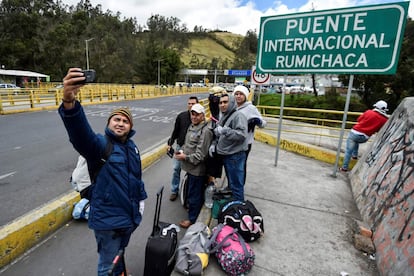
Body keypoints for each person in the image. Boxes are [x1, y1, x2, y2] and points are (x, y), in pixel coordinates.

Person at [58, 68, 147, 276]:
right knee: (107, 266)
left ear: (130, 127)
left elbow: (136, 179)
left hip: (129, 218)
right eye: (116, 119)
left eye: (125, 121)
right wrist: (69, 103)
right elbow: (80, 134)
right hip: (108, 222)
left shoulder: (132, 147)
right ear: (109, 123)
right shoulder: (99, 145)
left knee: (120, 254)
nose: (121, 123)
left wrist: (140, 204)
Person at [174, 103, 213, 228]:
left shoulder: (205, 131)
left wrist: (184, 157)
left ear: (203, 116)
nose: (194, 117)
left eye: (197, 114)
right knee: (191, 192)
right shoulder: (192, 126)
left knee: (194, 195)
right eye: (192, 114)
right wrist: (181, 151)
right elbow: (188, 145)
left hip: (197, 170)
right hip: (190, 168)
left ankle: (192, 220)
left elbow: (200, 155)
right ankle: (193, 213)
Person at [209, 94, 248, 201]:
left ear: (231, 102)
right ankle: (234, 204)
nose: (222, 105)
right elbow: (219, 133)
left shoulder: (238, 116)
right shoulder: (226, 116)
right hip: (228, 155)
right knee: (232, 183)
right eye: (220, 103)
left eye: (225, 102)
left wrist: (225, 131)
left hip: (235, 156)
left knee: (236, 185)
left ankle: (239, 208)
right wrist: (214, 144)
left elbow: (242, 135)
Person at [340, 100, 389, 172]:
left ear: (376, 107)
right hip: (365, 137)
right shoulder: (385, 119)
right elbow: (379, 130)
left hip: (354, 133)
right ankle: (355, 156)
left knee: (348, 151)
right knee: (356, 141)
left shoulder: (369, 112)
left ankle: (344, 168)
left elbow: (359, 119)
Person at [167, 96, 199, 201]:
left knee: (190, 172)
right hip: (179, 147)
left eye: (193, 103)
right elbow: (175, 131)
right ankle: (174, 190)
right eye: (189, 103)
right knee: (176, 169)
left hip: (192, 149)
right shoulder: (181, 116)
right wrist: (170, 143)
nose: (190, 105)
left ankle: (187, 193)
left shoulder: (199, 118)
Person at [233, 85, 266, 183]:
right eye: (236, 94)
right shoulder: (232, 107)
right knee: (232, 166)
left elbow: (263, 123)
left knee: (241, 166)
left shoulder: (251, 108)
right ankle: (231, 186)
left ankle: (239, 187)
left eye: (241, 94)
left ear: (246, 96)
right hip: (233, 141)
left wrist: (257, 122)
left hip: (245, 143)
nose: (238, 96)